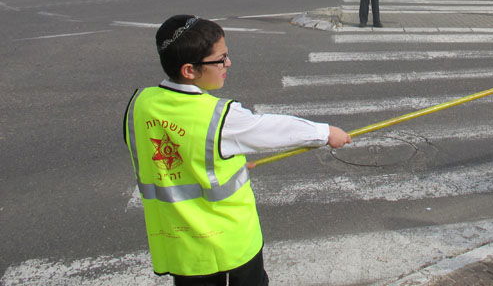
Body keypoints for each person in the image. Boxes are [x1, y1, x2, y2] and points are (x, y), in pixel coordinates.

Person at [124, 15, 351, 285]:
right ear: (188, 70)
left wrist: (227, 164)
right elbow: (273, 129)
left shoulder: (140, 104)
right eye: (220, 59)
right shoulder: (219, 117)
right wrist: (326, 133)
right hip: (228, 246)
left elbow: (179, 154)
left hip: (182, 249)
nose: (227, 63)